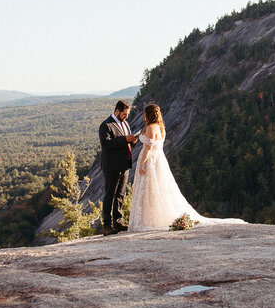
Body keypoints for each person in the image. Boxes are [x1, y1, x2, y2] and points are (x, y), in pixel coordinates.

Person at [128, 103, 244, 232]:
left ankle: (149, 219)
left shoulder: (150, 128)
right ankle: (153, 217)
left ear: (147, 114)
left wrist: (142, 163)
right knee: (159, 188)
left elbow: (148, 148)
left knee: (149, 188)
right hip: (159, 160)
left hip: (151, 161)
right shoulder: (160, 127)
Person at [98, 100, 137, 235]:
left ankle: (118, 221)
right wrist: (125, 140)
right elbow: (106, 144)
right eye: (124, 114)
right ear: (117, 111)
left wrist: (132, 141)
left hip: (124, 165)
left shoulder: (125, 124)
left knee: (120, 195)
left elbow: (126, 143)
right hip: (112, 166)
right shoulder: (106, 125)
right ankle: (107, 225)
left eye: (127, 114)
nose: (126, 116)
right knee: (110, 195)